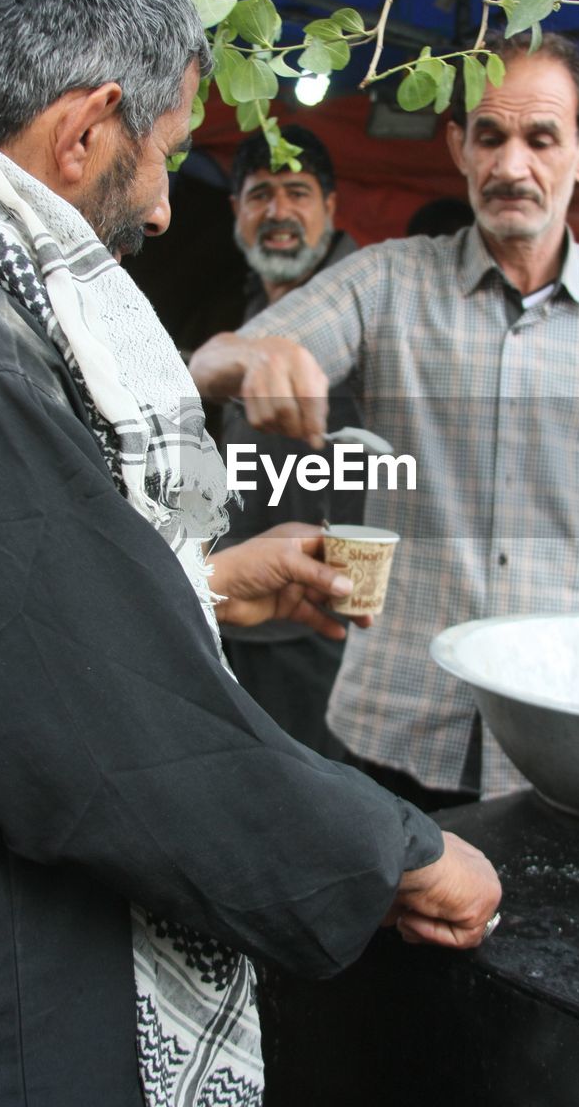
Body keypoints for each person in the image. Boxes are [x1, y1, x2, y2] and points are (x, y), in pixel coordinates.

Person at [0, 0, 502, 1107]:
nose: (164, 206)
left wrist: (204, 582)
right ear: (85, 129)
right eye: (165, 150)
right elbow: (112, 743)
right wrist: (402, 855)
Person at [190, 30, 579, 815]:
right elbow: (208, 362)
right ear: (457, 147)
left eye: (541, 138)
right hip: (388, 726)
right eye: (489, 136)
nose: (511, 166)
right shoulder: (386, 281)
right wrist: (247, 361)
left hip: (562, 724)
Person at [218, 125, 362, 757]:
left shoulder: (365, 303)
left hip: (323, 629)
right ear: (237, 212)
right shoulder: (252, 303)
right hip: (239, 610)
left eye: (298, 192)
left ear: (331, 207)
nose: (279, 212)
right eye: (260, 194)